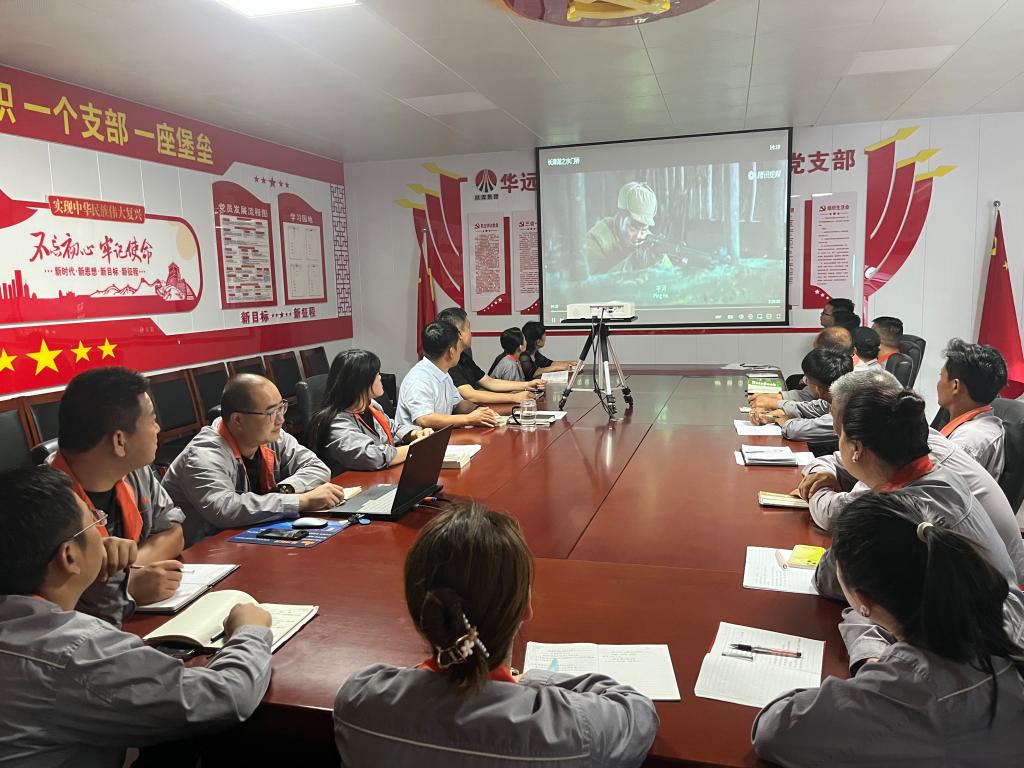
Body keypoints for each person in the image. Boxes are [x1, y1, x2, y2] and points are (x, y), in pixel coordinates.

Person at [334, 501, 659, 767]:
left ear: (421, 611)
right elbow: (637, 710)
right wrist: (530, 679)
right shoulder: (575, 729)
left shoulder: (359, 700)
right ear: (526, 607)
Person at [0, 466, 274, 768]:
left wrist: (106, 574)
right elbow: (226, 698)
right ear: (68, 556)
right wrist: (250, 631)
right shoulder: (70, 654)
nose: (104, 536)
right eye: (95, 523)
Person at [752, 491, 1024, 766]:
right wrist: (870, 653)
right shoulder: (994, 605)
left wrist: (873, 674)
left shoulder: (915, 692)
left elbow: (775, 731)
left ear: (862, 598)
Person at [792, 369, 1024, 598]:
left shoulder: (891, 509)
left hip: (975, 613)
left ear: (856, 448)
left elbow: (829, 579)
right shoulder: (933, 469)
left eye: (840, 433)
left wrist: (817, 490)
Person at [51, 367, 185, 626]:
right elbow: (50, 604)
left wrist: (127, 573)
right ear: (120, 441)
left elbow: (173, 533)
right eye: (151, 419)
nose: (158, 428)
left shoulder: (135, 471)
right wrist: (127, 588)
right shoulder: (45, 503)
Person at [163, 373, 340, 546]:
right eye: (271, 412)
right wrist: (301, 501)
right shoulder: (203, 455)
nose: (281, 419)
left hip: (248, 536)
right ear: (238, 420)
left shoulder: (270, 436)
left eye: (281, 407)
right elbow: (225, 509)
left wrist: (286, 490)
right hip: (204, 550)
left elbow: (317, 467)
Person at [308, 349, 433, 475]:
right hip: (353, 483)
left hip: (379, 476)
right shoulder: (336, 423)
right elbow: (371, 456)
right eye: (377, 374)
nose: (380, 378)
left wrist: (415, 434)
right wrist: (414, 449)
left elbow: (392, 429)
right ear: (362, 382)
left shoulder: (371, 406)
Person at [396, 321, 501, 430]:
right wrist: (468, 419)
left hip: (442, 436)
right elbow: (425, 419)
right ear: (451, 352)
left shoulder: (443, 373)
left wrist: (478, 410)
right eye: (459, 347)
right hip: (419, 439)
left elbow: (457, 404)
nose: (461, 351)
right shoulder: (419, 378)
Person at [436, 307, 543, 406]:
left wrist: (527, 385)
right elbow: (470, 395)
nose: (471, 333)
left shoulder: (463, 356)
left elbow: (489, 382)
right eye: (468, 328)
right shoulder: (448, 361)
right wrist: (514, 397)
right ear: (459, 334)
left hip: (475, 409)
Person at [937, 338, 1007, 480]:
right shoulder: (980, 424)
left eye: (941, 376)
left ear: (955, 386)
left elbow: (939, 489)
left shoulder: (967, 443)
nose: (938, 383)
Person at [750, 348, 852, 441]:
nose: (805, 382)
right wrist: (771, 414)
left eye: (807, 380)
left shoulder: (847, 412)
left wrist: (784, 420)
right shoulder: (836, 396)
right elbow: (808, 408)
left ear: (819, 390)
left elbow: (796, 431)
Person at [748, 327, 854, 409]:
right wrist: (774, 396)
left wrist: (776, 404)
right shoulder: (834, 368)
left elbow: (819, 409)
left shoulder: (850, 378)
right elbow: (807, 394)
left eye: (816, 351)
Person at [583, 181, 659, 277]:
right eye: (633, 228)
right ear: (620, 216)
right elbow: (595, 283)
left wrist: (659, 259)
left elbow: (669, 276)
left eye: (644, 229)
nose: (639, 236)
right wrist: (633, 262)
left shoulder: (647, 239)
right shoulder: (595, 241)